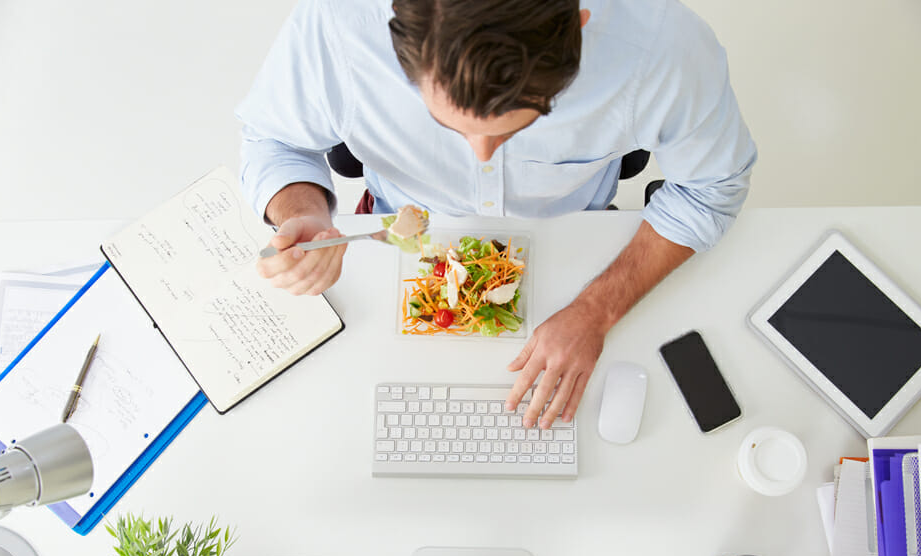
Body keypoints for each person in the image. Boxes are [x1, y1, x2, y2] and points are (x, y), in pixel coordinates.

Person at [236, 0, 757, 430]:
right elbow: (274, 139)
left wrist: (598, 310)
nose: (481, 156)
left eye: (514, 130)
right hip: (394, 243)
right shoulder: (335, 28)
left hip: (577, 249)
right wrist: (299, 207)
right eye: (450, 127)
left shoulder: (663, 46)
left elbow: (712, 188)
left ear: (577, 25)